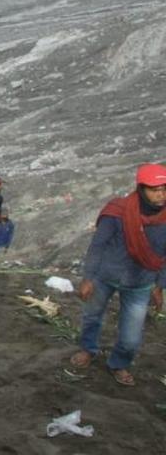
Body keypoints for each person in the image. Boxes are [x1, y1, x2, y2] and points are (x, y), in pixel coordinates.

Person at [69, 163, 166, 387]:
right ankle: (88, 349)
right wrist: (88, 277)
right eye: (154, 189)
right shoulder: (118, 212)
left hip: (141, 282)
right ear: (141, 188)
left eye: (164, 189)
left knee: (131, 335)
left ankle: (119, 362)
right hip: (105, 276)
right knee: (92, 315)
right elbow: (98, 245)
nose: (160, 194)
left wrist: (160, 285)